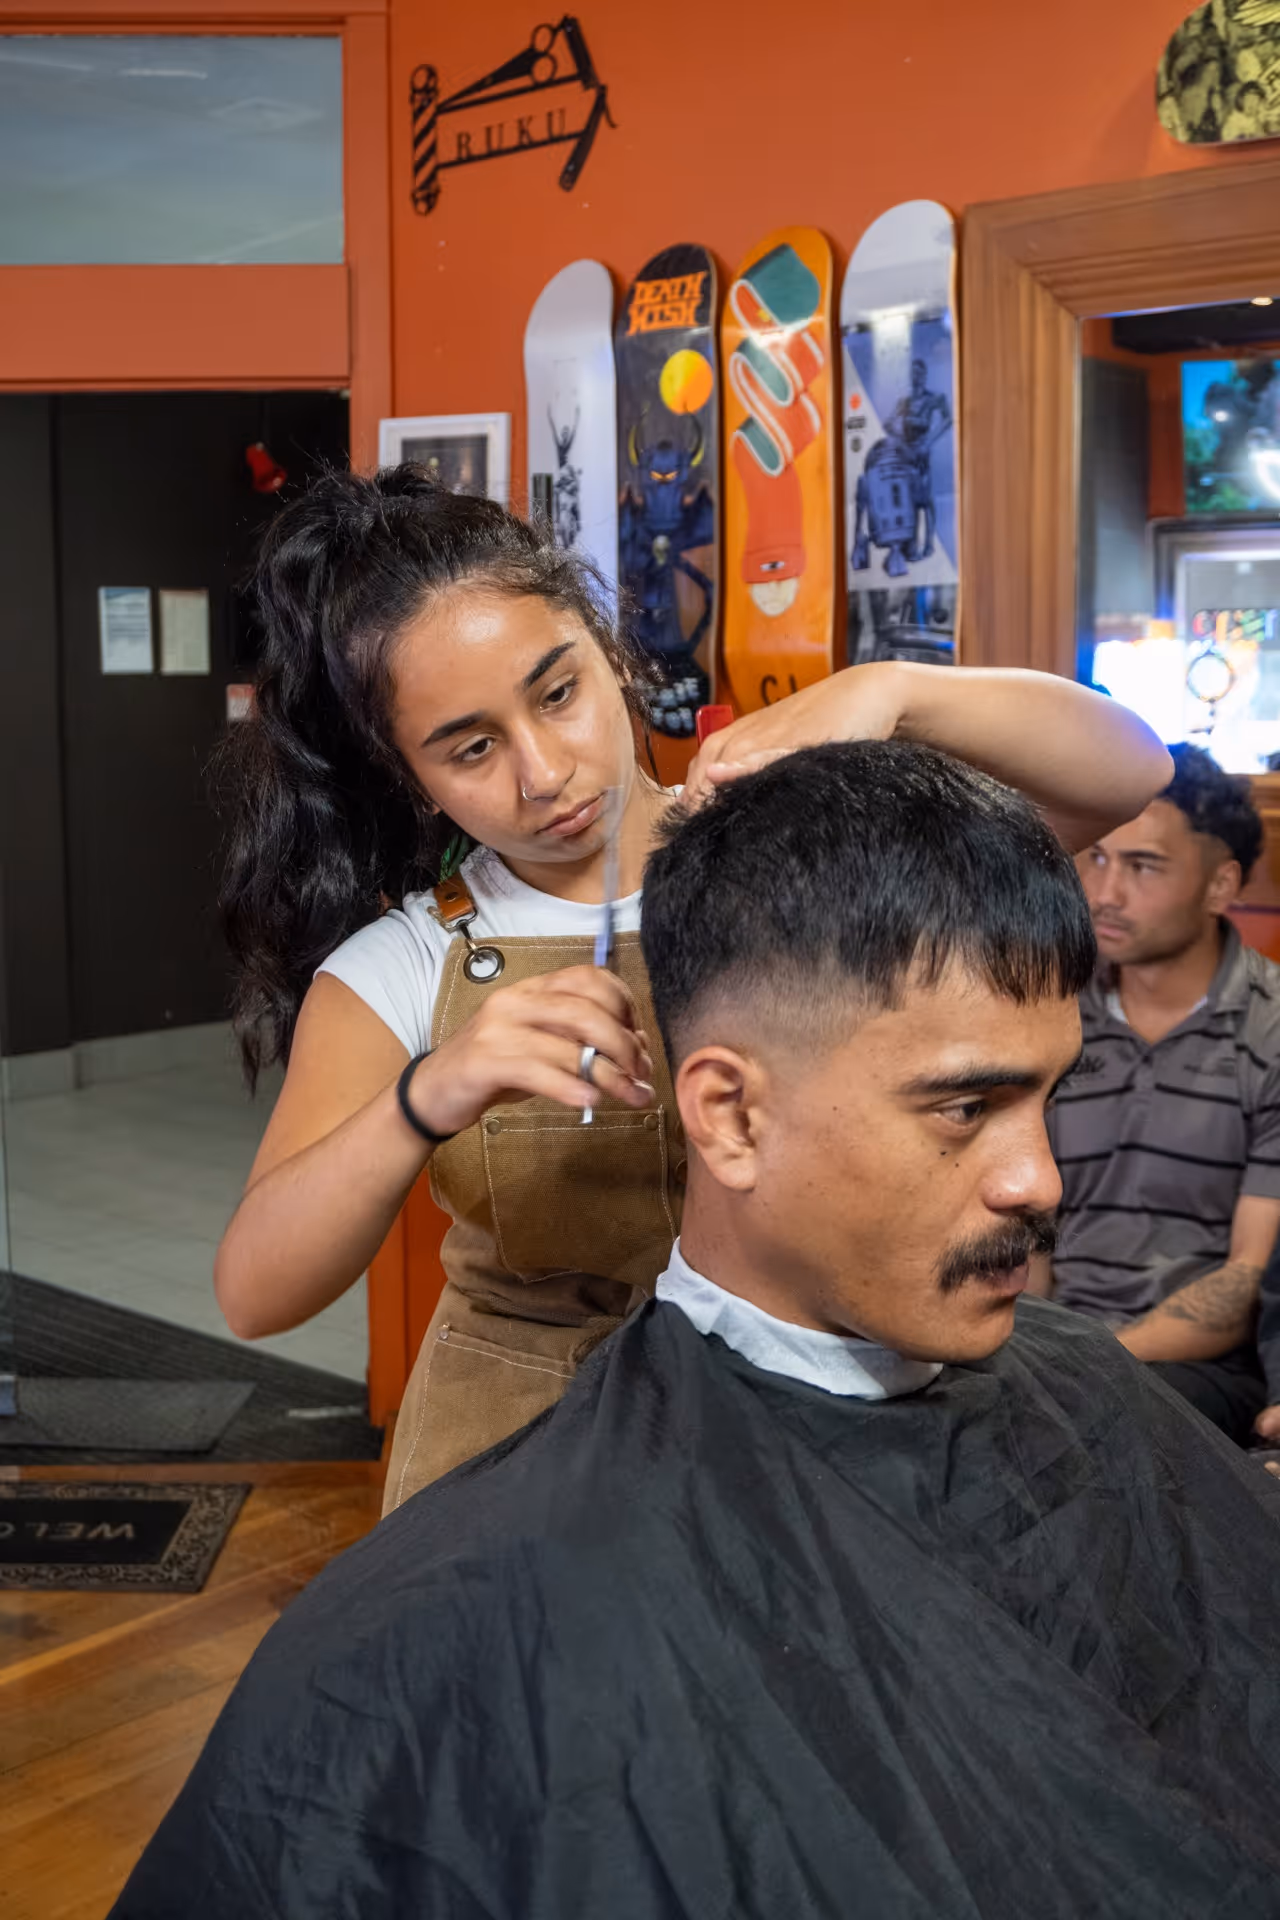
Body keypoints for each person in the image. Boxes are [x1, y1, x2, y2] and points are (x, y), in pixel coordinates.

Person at [111, 743, 1280, 1920]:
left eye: (1046, 1096)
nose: (1038, 1181)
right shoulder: (468, 1615)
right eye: (963, 1109)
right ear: (726, 1116)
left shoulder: (1086, 1398)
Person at [213, 465, 1170, 1512]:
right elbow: (257, 1294)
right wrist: (430, 1093)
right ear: (410, 775)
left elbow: (1128, 773)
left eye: (559, 694)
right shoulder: (406, 963)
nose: (543, 772)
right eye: (472, 748)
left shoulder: (787, 860)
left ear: (609, 651)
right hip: (522, 1451)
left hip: (799, 1414)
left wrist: (894, 690)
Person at [1044, 743, 1280, 1450]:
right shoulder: (1049, 1010)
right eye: (1097, 858)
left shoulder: (1269, 1031)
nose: (1105, 892)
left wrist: (1080, 1361)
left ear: (1220, 885)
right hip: (1048, 1342)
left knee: (1099, 1430)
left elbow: (1247, 1278)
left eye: (1143, 866)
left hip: (1195, 1364)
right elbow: (1024, 1233)